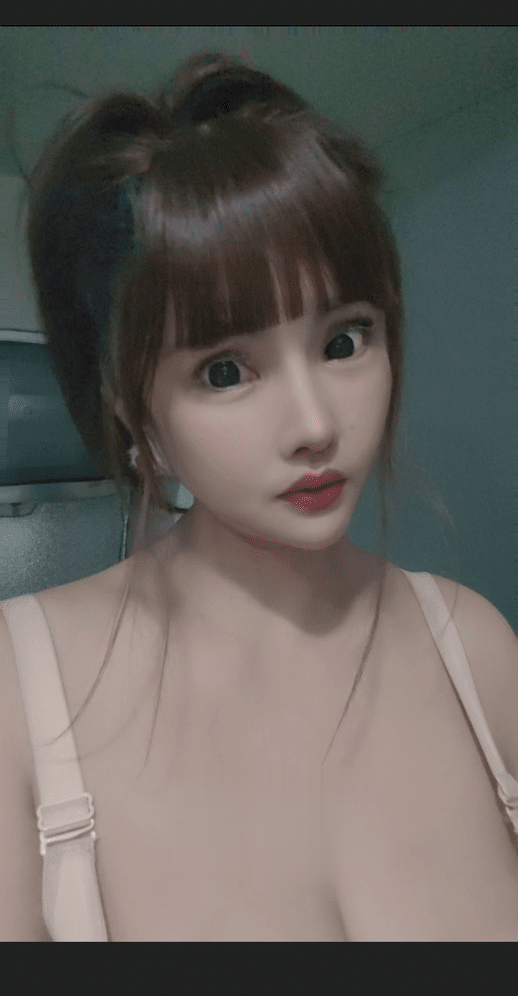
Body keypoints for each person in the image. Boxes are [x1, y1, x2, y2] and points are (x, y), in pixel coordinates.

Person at [1, 49, 517, 942]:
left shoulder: (473, 647)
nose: (315, 424)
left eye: (345, 341)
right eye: (226, 371)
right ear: (131, 405)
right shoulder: (20, 689)